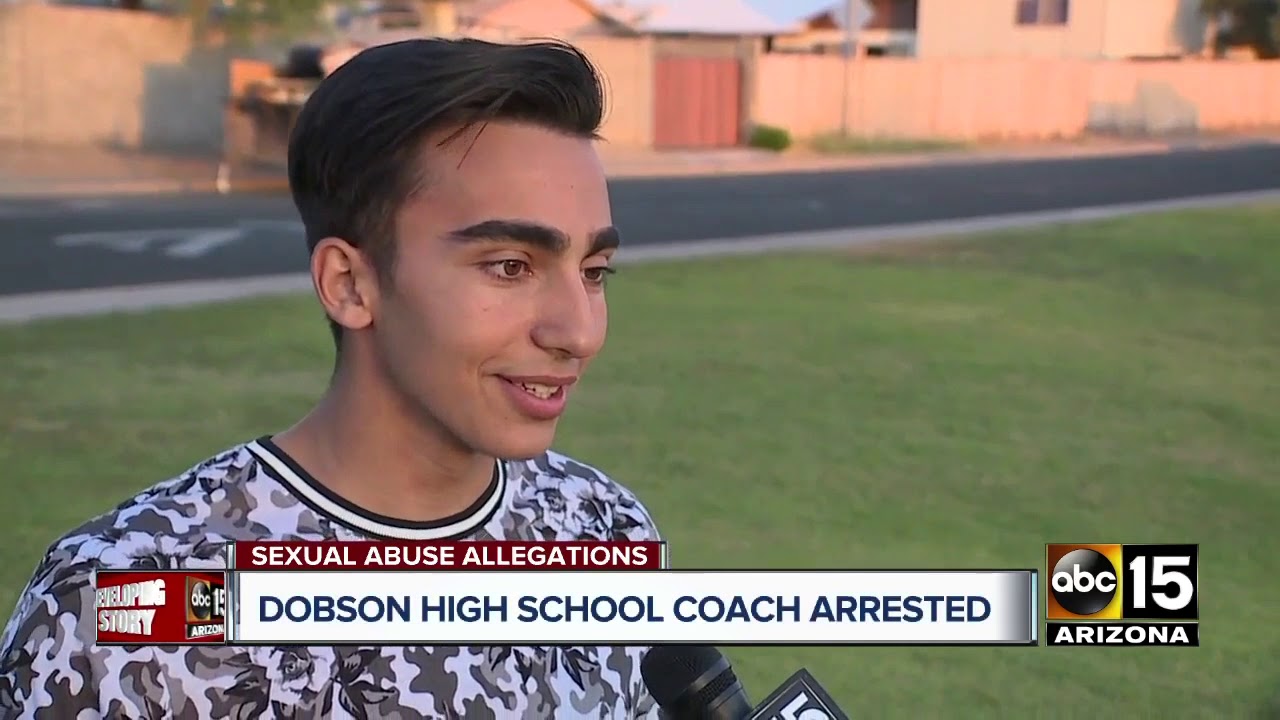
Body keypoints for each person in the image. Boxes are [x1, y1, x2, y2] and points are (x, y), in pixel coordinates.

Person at [0, 38, 662, 719]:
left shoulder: (604, 528)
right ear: (349, 284)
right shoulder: (122, 607)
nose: (580, 332)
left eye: (594, 272)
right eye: (510, 267)